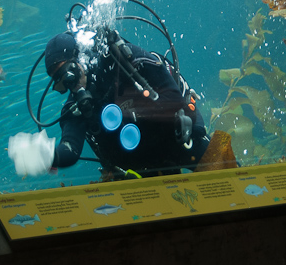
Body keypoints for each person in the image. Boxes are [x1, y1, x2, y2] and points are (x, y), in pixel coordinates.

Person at [42, 30, 210, 178]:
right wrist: (46, 156)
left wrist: (137, 114)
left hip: (179, 140)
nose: (71, 85)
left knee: (223, 168)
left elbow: (175, 102)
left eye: (70, 74)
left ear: (81, 57)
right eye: (61, 83)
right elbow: (70, 151)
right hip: (142, 167)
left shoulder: (124, 62)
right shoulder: (75, 108)